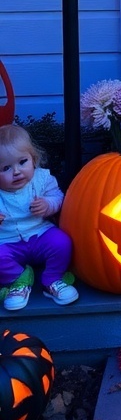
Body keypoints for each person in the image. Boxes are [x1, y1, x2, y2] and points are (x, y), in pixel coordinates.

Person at [0, 123, 79, 310]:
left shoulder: (42, 179)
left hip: (40, 233)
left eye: (22, 162)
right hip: (6, 242)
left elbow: (58, 198)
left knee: (62, 243)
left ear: (33, 159)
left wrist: (47, 205)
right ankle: (19, 280)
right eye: (5, 168)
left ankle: (52, 279)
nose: (17, 171)